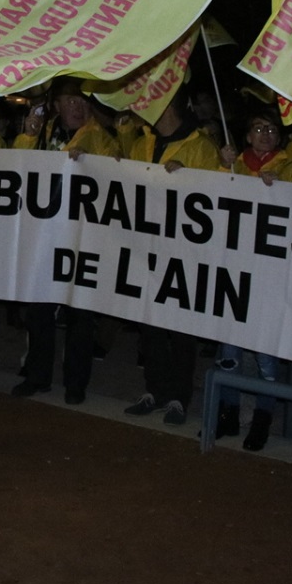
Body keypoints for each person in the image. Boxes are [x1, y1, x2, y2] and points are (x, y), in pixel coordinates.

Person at [212, 109, 292, 451]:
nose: (265, 134)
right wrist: (222, 167)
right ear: (247, 136)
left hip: (273, 273)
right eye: (258, 128)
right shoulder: (232, 164)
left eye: (271, 130)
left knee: (266, 353)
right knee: (229, 348)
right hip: (233, 267)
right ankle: (228, 412)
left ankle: (263, 416)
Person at [11, 78, 122, 404]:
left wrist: (91, 164)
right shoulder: (41, 135)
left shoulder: (101, 139)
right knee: (39, 312)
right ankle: (37, 375)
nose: (78, 107)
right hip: (44, 238)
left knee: (80, 316)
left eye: (82, 101)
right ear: (55, 105)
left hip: (83, 241)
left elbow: (116, 176)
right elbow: (17, 168)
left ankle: (76, 383)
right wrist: (28, 136)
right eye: (70, 101)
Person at [122, 92, 222, 425]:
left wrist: (188, 178)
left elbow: (217, 195)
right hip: (147, 245)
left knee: (180, 329)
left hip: (185, 253)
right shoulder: (142, 142)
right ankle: (155, 389)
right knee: (149, 323)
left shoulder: (201, 147)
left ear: (169, 108)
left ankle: (179, 396)